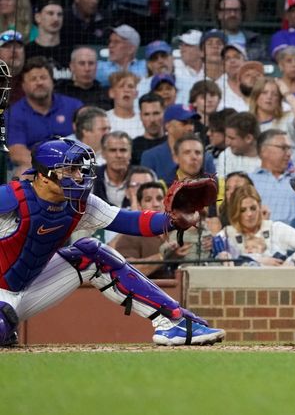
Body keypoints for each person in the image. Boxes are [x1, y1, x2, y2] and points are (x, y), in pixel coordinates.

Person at [0, 138, 225, 347]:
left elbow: (130, 221)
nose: (78, 176)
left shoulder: (79, 204)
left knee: (91, 253)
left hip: (27, 290)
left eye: (79, 169)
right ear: (44, 176)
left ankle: (173, 322)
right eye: (69, 170)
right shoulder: (9, 200)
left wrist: (174, 220)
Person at [211, 185, 295, 267]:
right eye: (243, 210)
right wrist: (260, 261)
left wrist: (291, 262)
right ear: (236, 212)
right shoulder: (226, 235)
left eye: (253, 208)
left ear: (259, 206)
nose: (249, 214)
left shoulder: (276, 229)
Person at [7, 57, 82, 173]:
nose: (39, 82)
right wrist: (50, 170)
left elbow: (88, 138)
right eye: (33, 79)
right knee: (23, 172)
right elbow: (17, 153)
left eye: (43, 77)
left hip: (73, 165)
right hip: (35, 168)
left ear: (52, 81)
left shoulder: (74, 106)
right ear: (23, 86)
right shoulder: (14, 113)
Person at [108, 181, 172, 279]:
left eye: (160, 199)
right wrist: (161, 256)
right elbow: (126, 272)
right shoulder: (130, 236)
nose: (156, 204)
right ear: (139, 206)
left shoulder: (178, 231)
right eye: (148, 200)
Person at [141, 104, 216, 185]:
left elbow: (214, 191)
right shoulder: (151, 157)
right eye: (184, 123)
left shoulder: (205, 158)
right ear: (168, 125)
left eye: (191, 123)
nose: (190, 128)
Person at [251, 129, 295, 224]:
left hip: (294, 235)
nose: (289, 154)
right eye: (283, 148)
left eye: (289, 148)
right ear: (263, 151)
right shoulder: (249, 181)